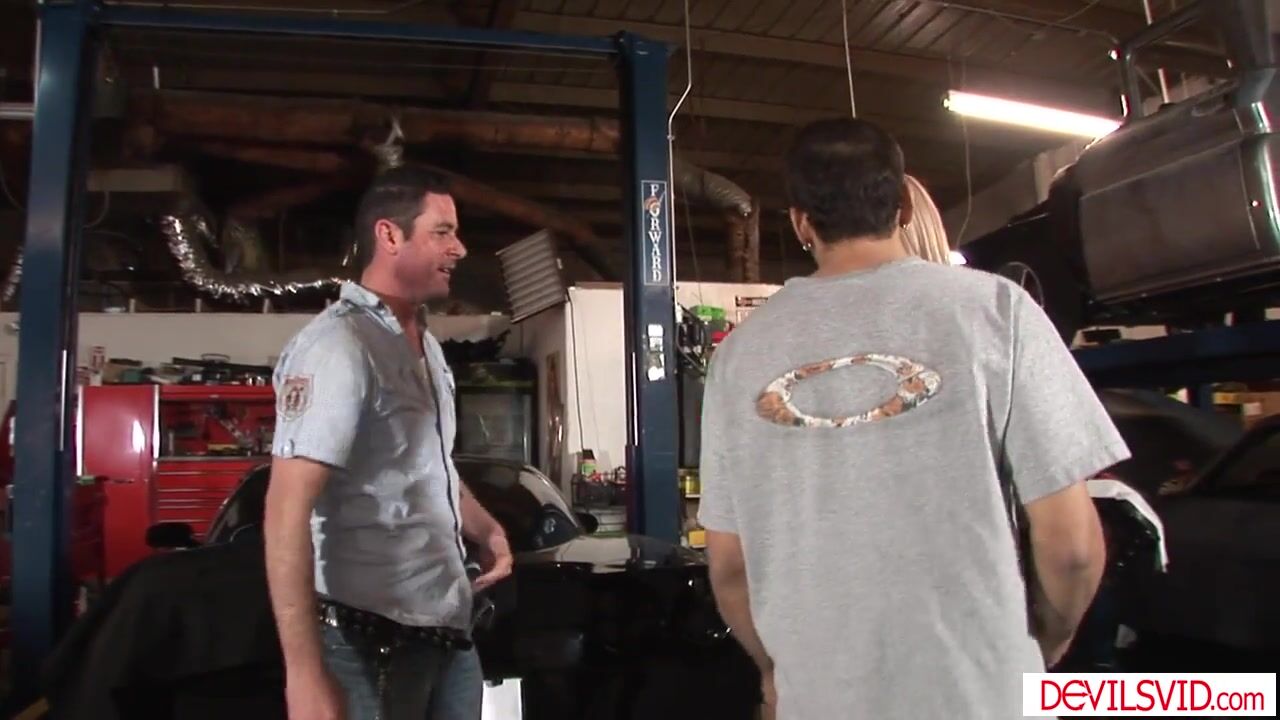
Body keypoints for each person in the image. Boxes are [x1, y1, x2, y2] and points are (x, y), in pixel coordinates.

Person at [696, 118, 1125, 719]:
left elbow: (730, 566)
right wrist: (1045, 645)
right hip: (983, 697)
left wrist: (776, 672)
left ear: (800, 222)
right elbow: (1073, 547)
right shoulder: (998, 311)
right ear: (903, 205)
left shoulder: (738, 356)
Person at [264, 165, 513, 720]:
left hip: (448, 628)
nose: (460, 248)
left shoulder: (425, 346)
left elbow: (424, 467)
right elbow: (286, 510)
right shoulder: (338, 346)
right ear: (390, 235)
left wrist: (486, 528)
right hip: (364, 642)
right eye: (442, 232)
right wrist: (304, 674)